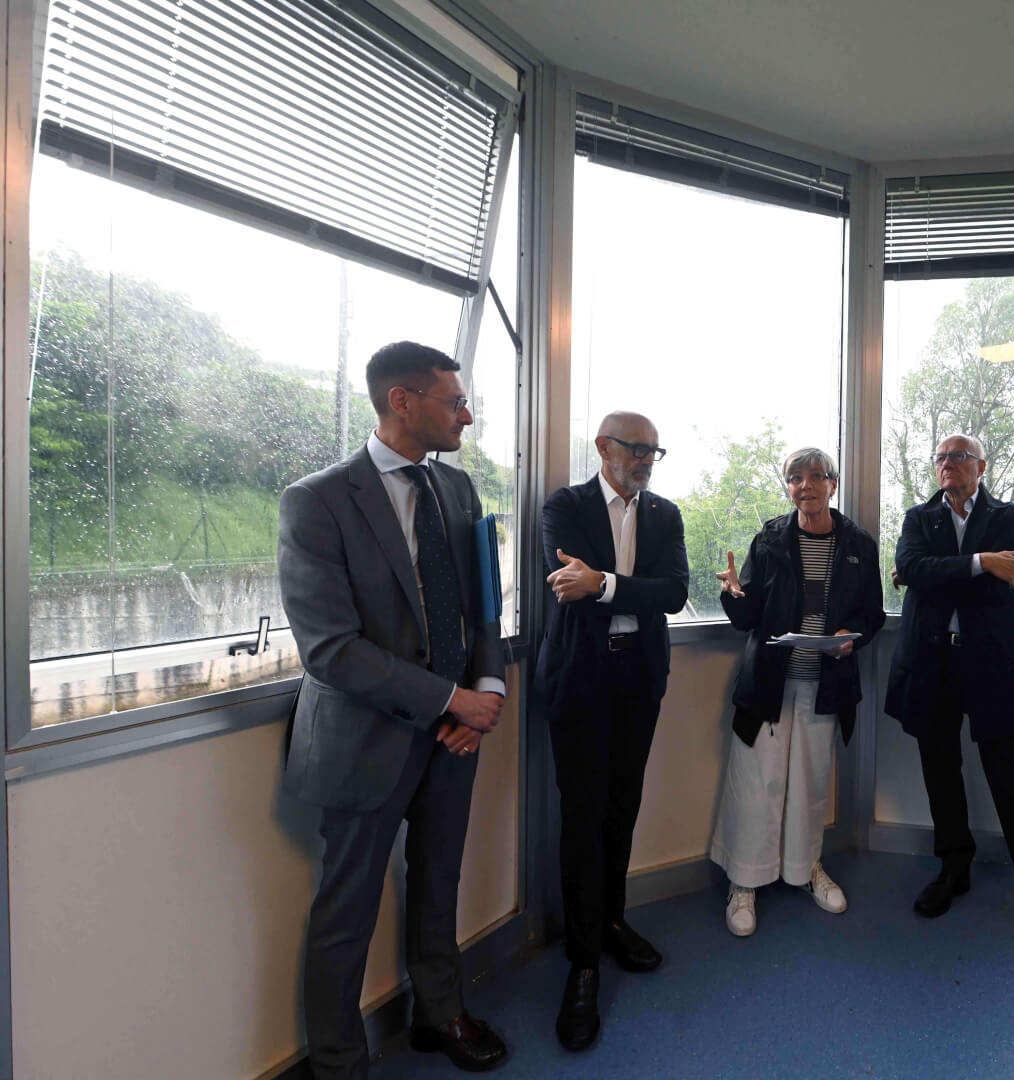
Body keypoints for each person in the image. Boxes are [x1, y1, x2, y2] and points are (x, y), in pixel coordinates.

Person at [278, 341, 509, 1078]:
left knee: (439, 885)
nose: (466, 416)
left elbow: (484, 606)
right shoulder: (317, 500)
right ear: (402, 402)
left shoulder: (458, 490)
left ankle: (439, 1014)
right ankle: (338, 1063)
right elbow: (330, 649)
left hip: (453, 737)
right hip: (363, 740)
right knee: (345, 913)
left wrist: (487, 692)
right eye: (455, 402)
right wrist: (452, 698)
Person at [884, 434, 1014, 956]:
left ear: (981, 466)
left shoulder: (1008, 515)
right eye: (941, 457)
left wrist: (932, 574)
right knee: (940, 771)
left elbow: (1004, 574)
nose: (947, 464)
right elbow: (913, 569)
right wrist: (978, 562)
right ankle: (954, 870)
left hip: (993, 665)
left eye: (959, 456)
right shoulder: (918, 518)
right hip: (933, 663)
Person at [532, 411, 689, 1051]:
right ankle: (583, 961)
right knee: (583, 816)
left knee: (623, 808)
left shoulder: (665, 515)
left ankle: (613, 923)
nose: (646, 459)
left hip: (638, 679)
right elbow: (565, 585)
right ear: (603, 447)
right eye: (636, 448)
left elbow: (673, 593)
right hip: (580, 678)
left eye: (654, 451)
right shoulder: (564, 507)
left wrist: (603, 583)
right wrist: (613, 588)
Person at [710, 447, 884, 936]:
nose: (805, 486)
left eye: (815, 476)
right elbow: (748, 617)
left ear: (833, 484)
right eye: (795, 478)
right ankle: (744, 881)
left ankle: (805, 868)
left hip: (825, 683)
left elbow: (872, 613)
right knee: (756, 783)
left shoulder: (859, 545)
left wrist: (851, 639)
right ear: (787, 487)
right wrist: (732, 593)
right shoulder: (769, 540)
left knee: (809, 786)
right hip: (770, 681)